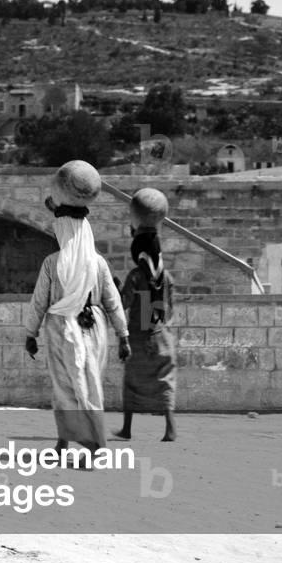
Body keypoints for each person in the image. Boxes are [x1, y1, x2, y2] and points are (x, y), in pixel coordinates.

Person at [24, 161, 130, 458]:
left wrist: (30, 333)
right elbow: (113, 301)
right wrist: (123, 335)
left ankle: (83, 442)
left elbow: (39, 301)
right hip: (94, 327)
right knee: (89, 382)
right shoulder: (97, 263)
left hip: (60, 326)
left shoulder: (53, 262)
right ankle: (73, 441)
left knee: (65, 386)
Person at [115, 187, 177, 443]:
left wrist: (117, 290)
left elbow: (125, 303)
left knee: (132, 383)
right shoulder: (167, 277)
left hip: (139, 337)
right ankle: (170, 429)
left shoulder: (136, 276)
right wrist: (158, 328)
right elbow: (169, 309)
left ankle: (127, 429)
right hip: (162, 337)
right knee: (165, 383)